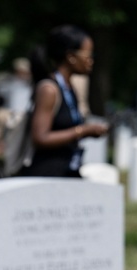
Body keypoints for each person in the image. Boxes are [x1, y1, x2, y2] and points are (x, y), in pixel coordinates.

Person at [18, 25, 108, 178]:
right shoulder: (49, 89)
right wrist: (82, 131)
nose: (91, 60)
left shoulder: (69, 87)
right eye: (88, 54)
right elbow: (40, 137)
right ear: (71, 56)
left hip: (67, 170)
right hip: (46, 174)